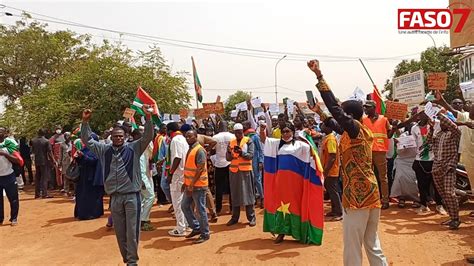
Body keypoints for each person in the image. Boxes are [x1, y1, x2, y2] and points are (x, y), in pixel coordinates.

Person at [308, 59, 387, 266]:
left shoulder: (354, 129)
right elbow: (334, 122)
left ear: (350, 116)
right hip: (371, 194)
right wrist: (318, 112)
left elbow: (336, 111)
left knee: (353, 245)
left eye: (344, 114)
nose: (341, 117)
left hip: (357, 197)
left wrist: (319, 76)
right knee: (372, 243)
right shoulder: (359, 131)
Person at [80, 106, 153, 266]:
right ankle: (127, 258)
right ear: (111, 137)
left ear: (125, 137)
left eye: (121, 136)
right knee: (120, 232)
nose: (118, 138)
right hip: (115, 198)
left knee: (132, 231)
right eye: (115, 136)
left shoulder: (134, 148)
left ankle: (132, 262)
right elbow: (87, 140)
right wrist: (85, 121)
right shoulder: (103, 150)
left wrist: (148, 118)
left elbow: (148, 136)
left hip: (132, 196)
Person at [259, 121, 324, 245]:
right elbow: (264, 139)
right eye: (283, 131)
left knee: (296, 206)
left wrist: (308, 136)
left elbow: (313, 152)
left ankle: (299, 233)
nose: (285, 134)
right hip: (281, 183)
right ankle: (281, 233)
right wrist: (262, 130)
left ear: (293, 132)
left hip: (296, 184)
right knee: (281, 206)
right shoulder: (277, 144)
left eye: (288, 131)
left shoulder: (301, 145)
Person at [426, 111, 462, 230]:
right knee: (443, 194)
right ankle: (452, 217)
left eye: (443, 121)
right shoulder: (439, 134)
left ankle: (456, 219)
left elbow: (453, 125)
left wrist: (438, 113)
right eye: (440, 121)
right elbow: (428, 142)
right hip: (437, 168)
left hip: (448, 167)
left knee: (449, 192)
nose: (441, 123)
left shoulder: (455, 133)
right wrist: (431, 129)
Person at [181, 130, 211, 244]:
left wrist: (191, 184)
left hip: (198, 186)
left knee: (200, 210)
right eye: (186, 136)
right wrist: (186, 183)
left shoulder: (199, 150)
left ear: (196, 137)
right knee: (184, 206)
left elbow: (200, 168)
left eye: (190, 136)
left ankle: (205, 233)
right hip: (190, 184)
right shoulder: (191, 149)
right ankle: (196, 227)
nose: (187, 138)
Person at [225, 123, 256, 227]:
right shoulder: (231, 142)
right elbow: (228, 159)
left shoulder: (248, 141)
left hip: (246, 171)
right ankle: (234, 218)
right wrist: (229, 153)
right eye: (236, 132)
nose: (238, 134)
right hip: (234, 172)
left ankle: (251, 217)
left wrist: (241, 152)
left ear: (243, 131)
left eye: (240, 132)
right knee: (235, 194)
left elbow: (250, 155)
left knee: (249, 194)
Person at [363, 100, 392, 210]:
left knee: (383, 177)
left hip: (380, 151)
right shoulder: (363, 120)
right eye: (365, 107)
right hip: (367, 151)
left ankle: (385, 200)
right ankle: (371, 199)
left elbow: (389, 135)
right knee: (368, 176)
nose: (365, 109)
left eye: (368, 107)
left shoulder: (384, 119)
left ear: (374, 108)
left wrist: (393, 128)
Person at [74, 133, 105, 220]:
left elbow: (93, 161)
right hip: (83, 176)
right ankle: (81, 213)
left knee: (93, 196)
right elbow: (81, 162)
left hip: (93, 177)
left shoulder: (98, 150)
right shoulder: (84, 149)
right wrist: (78, 157)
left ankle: (93, 213)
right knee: (81, 195)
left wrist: (83, 156)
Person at [166, 122, 189, 237]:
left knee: (177, 202)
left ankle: (181, 228)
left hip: (178, 175)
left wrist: (170, 173)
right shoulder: (183, 139)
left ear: (170, 131)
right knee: (183, 201)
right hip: (184, 173)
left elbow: (177, 158)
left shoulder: (175, 140)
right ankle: (186, 224)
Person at [131, 129, 155, 231]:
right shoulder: (137, 149)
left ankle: (139, 219)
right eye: (141, 135)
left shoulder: (139, 147)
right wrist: (142, 182)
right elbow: (139, 169)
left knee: (141, 199)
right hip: (141, 178)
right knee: (150, 197)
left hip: (141, 177)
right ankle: (143, 220)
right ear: (135, 136)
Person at [321, 121, 342, 221]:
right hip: (329, 169)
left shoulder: (331, 139)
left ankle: (339, 212)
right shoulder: (328, 138)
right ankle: (334, 210)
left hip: (331, 170)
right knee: (331, 190)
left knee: (333, 191)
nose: (322, 126)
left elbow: (332, 156)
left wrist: (325, 171)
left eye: (324, 125)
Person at [212, 121, 235, 214]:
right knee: (231, 187)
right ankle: (232, 208)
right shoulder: (232, 136)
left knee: (219, 188)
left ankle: (218, 209)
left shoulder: (215, 137)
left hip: (219, 164)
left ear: (219, 126)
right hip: (231, 163)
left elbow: (213, 151)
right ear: (227, 127)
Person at [0, 127, 21, 226]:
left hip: (9, 175)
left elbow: (17, 160)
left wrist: (4, 154)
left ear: (5, 133)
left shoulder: (10, 144)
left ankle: (14, 218)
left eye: (1, 131)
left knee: (13, 198)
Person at [242, 121, 264, 209]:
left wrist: (261, 161)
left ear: (249, 126)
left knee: (257, 180)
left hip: (255, 160)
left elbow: (260, 149)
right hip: (247, 161)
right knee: (250, 180)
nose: (243, 126)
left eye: (245, 125)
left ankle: (262, 198)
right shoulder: (244, 136)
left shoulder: (254, 136)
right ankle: (253, 198)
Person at [31, 129, 56, 199]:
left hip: (37, 161)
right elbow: (50, 152)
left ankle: (37, 194)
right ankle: (44, 194)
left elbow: (33, 151)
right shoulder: (46, 141)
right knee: (44, 177)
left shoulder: (33, 140)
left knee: (37, 177)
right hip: (44, 161)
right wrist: (53, 161)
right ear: (44, 133)